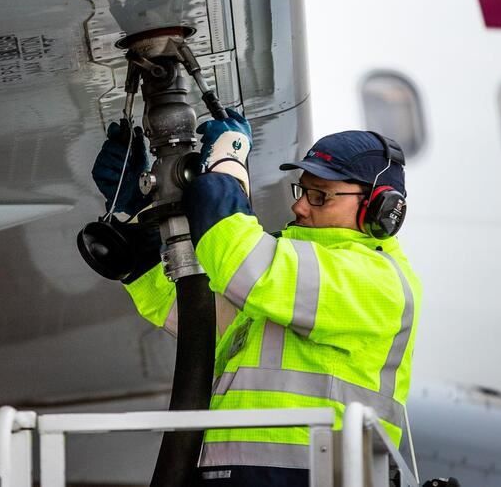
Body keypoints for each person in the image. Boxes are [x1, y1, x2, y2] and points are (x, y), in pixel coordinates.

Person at [89, 111, 421, 486]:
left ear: (380, 209)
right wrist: (139, 217)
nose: (299, 206)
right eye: (302, 191)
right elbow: (199, 322)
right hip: (245, 476)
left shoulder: (376, 279)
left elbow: (243, 264)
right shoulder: (290, 280)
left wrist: (226, 165)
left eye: (319, 197)